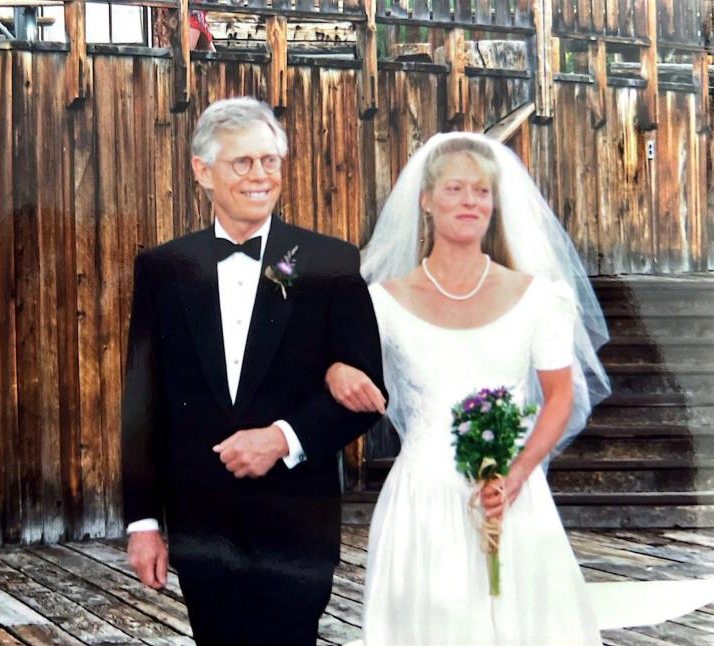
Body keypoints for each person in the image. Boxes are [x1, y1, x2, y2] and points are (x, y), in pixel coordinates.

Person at [325, 132, 612, 644]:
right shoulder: (382, 303)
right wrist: (334, 371)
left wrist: (518, 476)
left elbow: (560, 398)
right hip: (421, 501)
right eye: (455, 189)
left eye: (481, 191)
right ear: (426, 200)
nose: (470, 201)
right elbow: (329, 359)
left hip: (510, 497)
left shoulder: (540, 298)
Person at [120, 96, 386, 645]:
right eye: (243, 162)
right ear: (202, 171)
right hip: (201, 524)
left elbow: (368, 392)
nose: (260, 176)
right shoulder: (163, 269)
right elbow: (143, 403)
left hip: (296, 524)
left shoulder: (326, 263)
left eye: (270, 161)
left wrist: (284, 438)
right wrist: (143, 522)